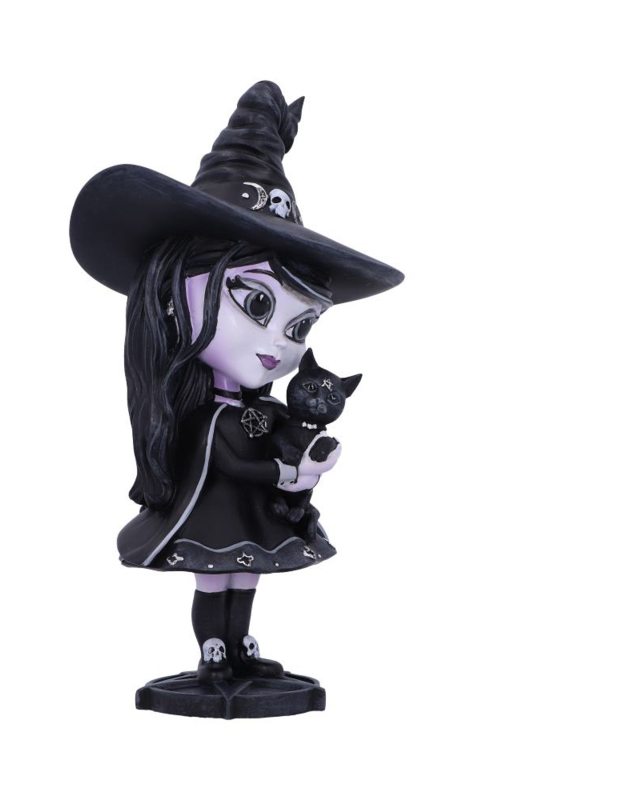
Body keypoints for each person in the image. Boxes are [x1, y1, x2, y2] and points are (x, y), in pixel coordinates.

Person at [69, 81, 404, 713]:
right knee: (214, 577)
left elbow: (279, 447)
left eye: (301, 326)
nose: (279, 344)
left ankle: (241, 647)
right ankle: (214, 653)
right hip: (214, 511)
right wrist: (283, 473)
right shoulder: (208, 417)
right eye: (255, 303)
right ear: (174, 294)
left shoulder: (262, 409)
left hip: (249, 514)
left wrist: (307, 464)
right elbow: (230, 461)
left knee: (244, 576)